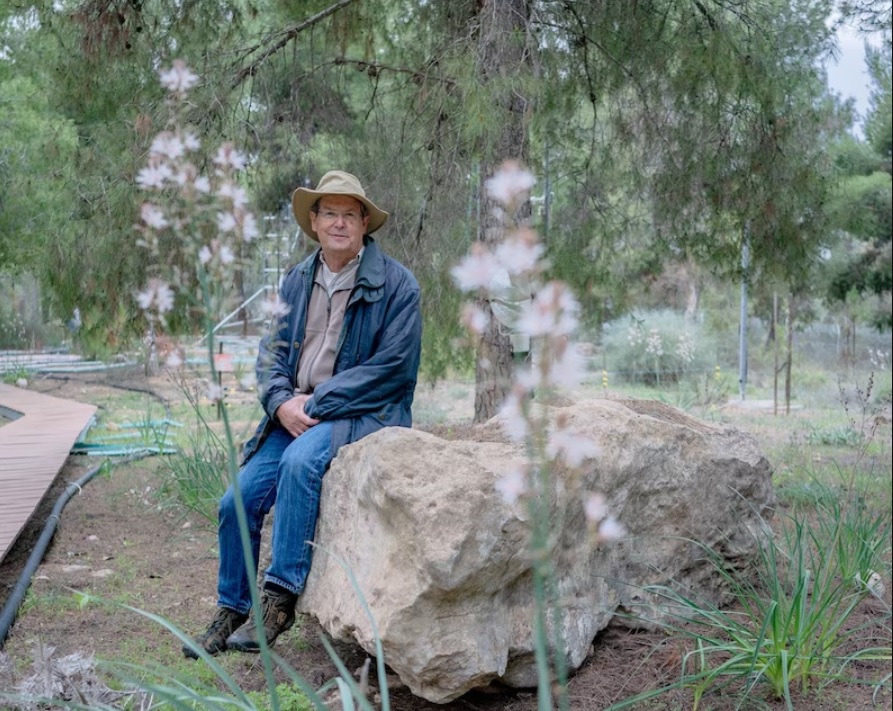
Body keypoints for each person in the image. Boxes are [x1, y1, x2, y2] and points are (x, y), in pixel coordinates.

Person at [184, 170, 423, 658]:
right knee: (236, 500)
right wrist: (280, 402)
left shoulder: (397, 284)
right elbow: (269, 354)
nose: (339, 223)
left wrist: (311, 404)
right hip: (296, 411)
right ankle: (232, 606)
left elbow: (394, 369)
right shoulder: (296, 280)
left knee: (299, 463)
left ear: (364, 223)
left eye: (349, 214)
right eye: (329, 213)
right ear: (314, 222)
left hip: (363, 412)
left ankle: (279, 599)